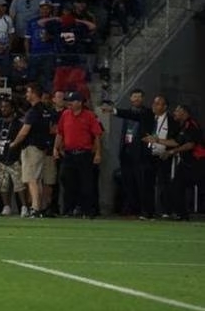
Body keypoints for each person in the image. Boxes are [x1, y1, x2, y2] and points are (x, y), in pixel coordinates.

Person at [102, 89, 155, 217]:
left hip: (141, 155)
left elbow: (132, 115)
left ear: (142, 99)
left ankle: (146, 211)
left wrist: (114, 111)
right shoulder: (129, 114)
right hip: (126, 154)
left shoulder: (147, 113)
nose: (136, 99)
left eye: (139, 97)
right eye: (134, 97)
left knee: (142, 184)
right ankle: (133, 209)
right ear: (130, 99)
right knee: (129, 183)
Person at [54, 91, 103, 218]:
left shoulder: (89, 116)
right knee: (66, 180)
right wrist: (56, 148)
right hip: (69, 154)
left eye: (73, 100)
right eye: (69, 100)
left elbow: (97, 135)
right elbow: (60, 132)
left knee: (86, 183)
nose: (69, 103)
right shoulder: (65, 114)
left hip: (85, 154)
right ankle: (68, 209)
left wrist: (98, 153)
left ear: (80, 102)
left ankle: (86, 210)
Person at [8, 83, 54, 218]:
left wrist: (14, 143)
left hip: (32, 147)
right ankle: (39, 207)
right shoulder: (46, 110)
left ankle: (35, 208)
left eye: (28, 92)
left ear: (34, 93)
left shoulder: (33, 111)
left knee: (31, 179)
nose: (26, 95)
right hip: (42, 147)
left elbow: (24, 131)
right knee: (37, 179)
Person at [152, 104, 201, 222]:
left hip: (198, 162)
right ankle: (182, 215)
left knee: (192, 186)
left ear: (184, 112)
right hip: (186, 163)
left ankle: (183, 214)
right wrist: (157, 140)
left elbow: (190, 144)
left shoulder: (191, 125)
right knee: (176, 186)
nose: (174, 113)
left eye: (177, 111)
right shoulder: (183, 126)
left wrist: (172, 152)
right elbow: (176, 142)